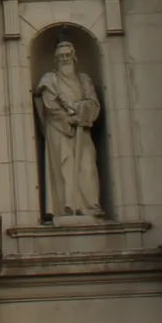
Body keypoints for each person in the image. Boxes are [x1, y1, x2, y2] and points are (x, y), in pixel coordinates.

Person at [35, 39, 104, 220]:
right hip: (59, 132)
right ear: (55, 60)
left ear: (74, 57)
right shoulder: (50, 81)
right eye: (61, 57)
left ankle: (89, 207)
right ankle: (67, 208)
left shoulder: (84, 79)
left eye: (68, 55)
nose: (65, 59)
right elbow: (50, 106)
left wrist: (81, 112)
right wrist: (67, 119)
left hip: (82, 130)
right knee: (64, 169)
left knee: (87, 167)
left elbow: (93, 103)